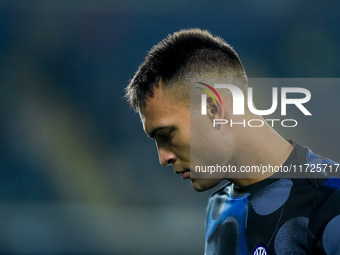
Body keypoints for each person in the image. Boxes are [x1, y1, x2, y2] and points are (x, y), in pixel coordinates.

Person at [125, 28, 340, 255]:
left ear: (213, 108)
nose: (163, 158)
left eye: (166, 135)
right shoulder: (218, 208)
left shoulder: (330, 198)